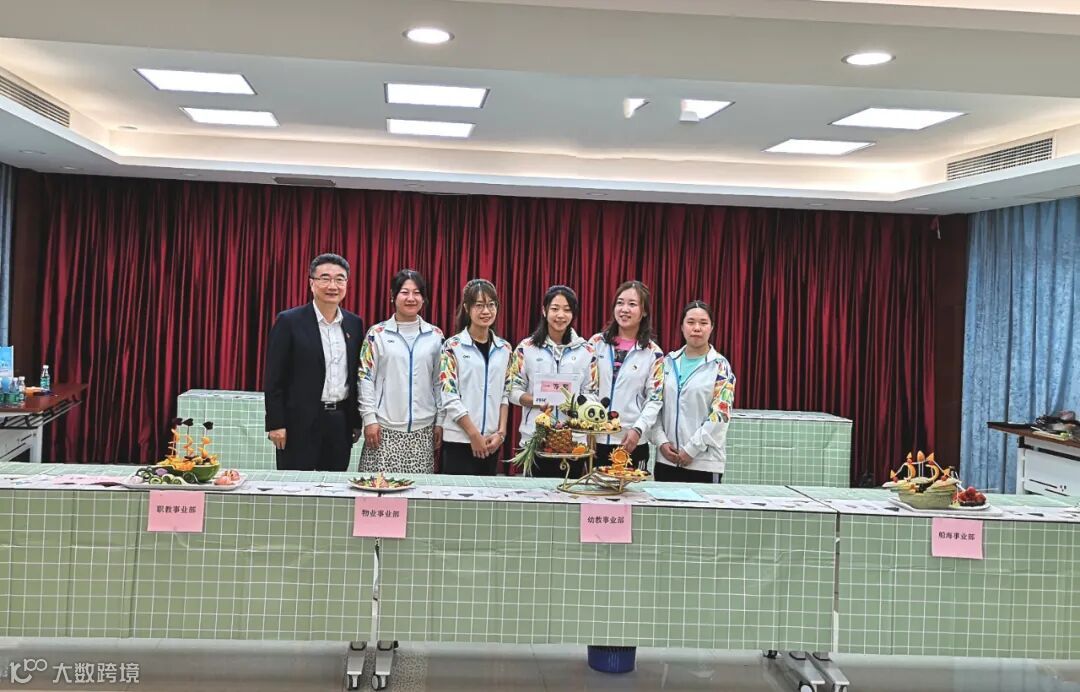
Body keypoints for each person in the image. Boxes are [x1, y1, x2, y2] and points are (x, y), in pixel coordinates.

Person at [263, 253, 365, 471]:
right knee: (296, 486)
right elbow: (274, 378)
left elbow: (355, 376)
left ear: (346, 284)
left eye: (339, 279)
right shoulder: (289, 321)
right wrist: (276, 424)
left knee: (334, 486)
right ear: (312, 283)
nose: (332, 285)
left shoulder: (354, 324)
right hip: (298, 423)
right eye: (325, 278)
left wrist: (356, 422)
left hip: (340, 423)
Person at [358, 269, 444, 474]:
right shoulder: (376, 334)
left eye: (417, 293)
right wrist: (369, 419)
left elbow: (439, 381)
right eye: (405, 292)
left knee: (418, 491)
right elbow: (365, 378)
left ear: (424, 298)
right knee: (378, 489)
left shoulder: (435, 335)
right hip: (383, 429)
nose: (411, 298)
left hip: (423, 430)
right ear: (393, 296)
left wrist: (440, 421)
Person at [508, 285, 598, 477]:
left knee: (570, 493)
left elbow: (592, 393)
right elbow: (513, 390)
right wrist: (536, 401)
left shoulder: (587, 351)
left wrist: (575, 405)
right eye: (555, 308)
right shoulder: (526, 348)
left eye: (567, 310)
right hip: (535, 439)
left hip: (574, 442)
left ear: (573, 314)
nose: (560, 315)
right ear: (544, 310)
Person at [651, 300, 736, 483]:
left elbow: (720, 415)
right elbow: (654, 405)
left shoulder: (720, 367)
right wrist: (661, 442)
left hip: (704, 463)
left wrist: (691, 449)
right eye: (690, 322)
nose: (697, 328)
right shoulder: (667, 362)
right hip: (666, 460)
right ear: (682, 327)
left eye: (703, 323)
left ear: (712, 328)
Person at [437, 279, 512, 476]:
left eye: (491, 305)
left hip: (491, 442)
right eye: (479, 305)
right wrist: (473, 434)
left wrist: (501, 433)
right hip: (459, 440)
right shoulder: (452, 347)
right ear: (466, 308)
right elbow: (449, 396)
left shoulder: (504, 348)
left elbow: (505, 393)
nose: (486, 311)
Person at [588, 281, 664, 471]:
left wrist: (638, 429)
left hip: (631, 442)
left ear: (644, 311)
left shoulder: (653, 353)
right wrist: (588, 430)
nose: (624, 309)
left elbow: (655, 399)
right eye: (620, 303)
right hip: (595, 442)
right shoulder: (596, 343)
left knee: (630, 490)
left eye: (632, 304)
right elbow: (587, 388)